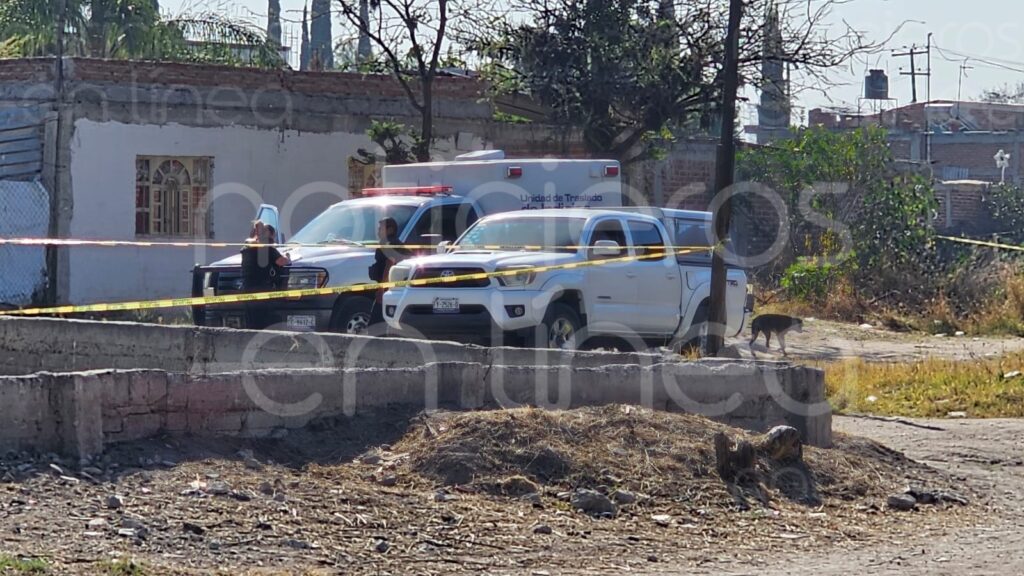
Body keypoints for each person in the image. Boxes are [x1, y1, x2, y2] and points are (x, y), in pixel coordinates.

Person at [240, 221, 291, 328]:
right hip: (260, 289)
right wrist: (288, 257)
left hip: (246, 288)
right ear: (271, 235)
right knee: (262, 322)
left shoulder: (246, 247)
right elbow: (281, 261)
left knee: (250, 323)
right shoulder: (266, 247)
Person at [368, 217, 407, 326]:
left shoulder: (388, 243)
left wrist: (382, 288)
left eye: (381, 229)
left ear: (390, 230)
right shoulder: (395, 243)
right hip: (395, 288)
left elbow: (390, 263)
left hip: (388, 288)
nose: (378, 231)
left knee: (375, 322)